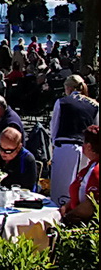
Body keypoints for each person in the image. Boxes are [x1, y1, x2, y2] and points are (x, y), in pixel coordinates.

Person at [49, 75, 99, 206]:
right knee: (81, 188)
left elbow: (54, 127)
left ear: (68, 87)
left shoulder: (62, 102)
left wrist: (53, 145)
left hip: (65, 146)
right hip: (85, 149)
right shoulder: (94, 105)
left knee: (59, 189)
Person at [58, 125, 99, 225]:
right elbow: (80, 195)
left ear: (89, 146)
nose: (82, 146)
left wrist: (66, 219)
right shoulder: (90, 166)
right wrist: (65, 208)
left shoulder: (95, 171)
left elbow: (91, 204)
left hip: (83, 226)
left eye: (83, 143)